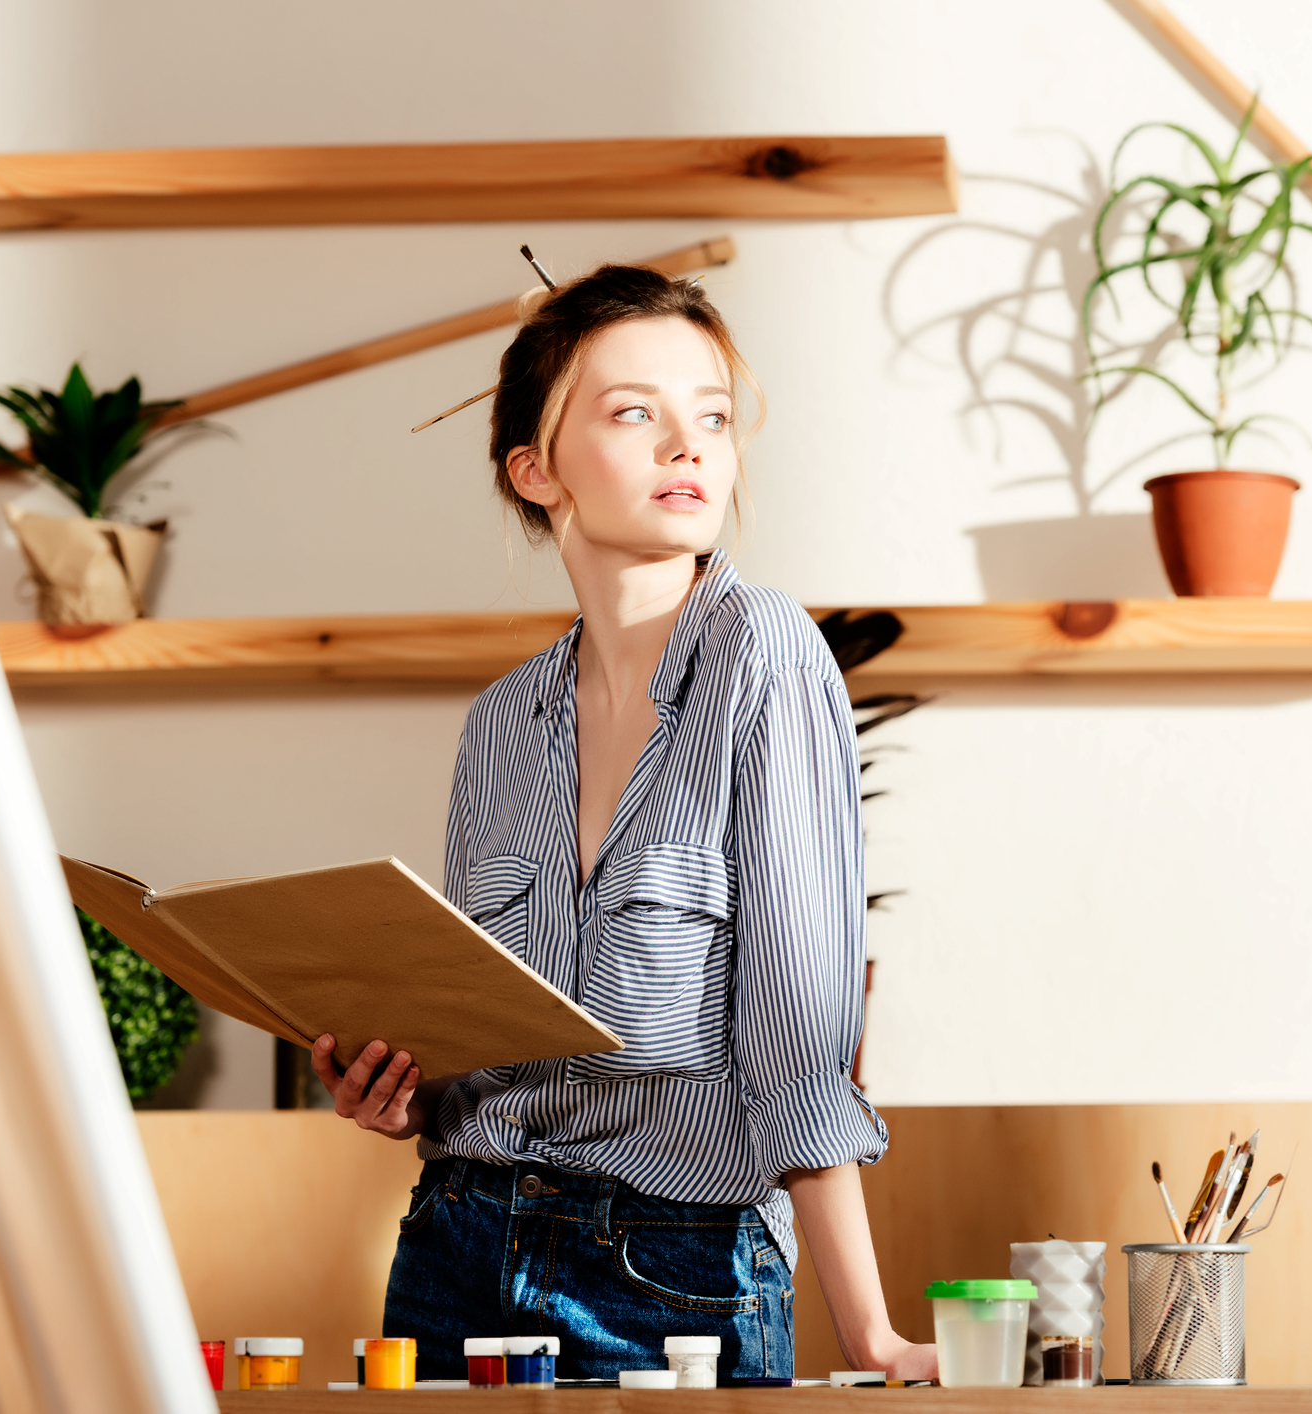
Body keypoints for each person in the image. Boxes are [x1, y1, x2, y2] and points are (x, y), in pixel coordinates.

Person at [310, 264, 934, 1384]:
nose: (688, 445)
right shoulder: (499, 722)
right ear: (535, 468)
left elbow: (799, 1034)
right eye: (635, 413)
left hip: (670, 1269)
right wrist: (402, 1097)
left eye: (713, 417)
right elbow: (477, 1037)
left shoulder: (766, 655)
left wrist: (869, 1333)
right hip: (454, 1246)